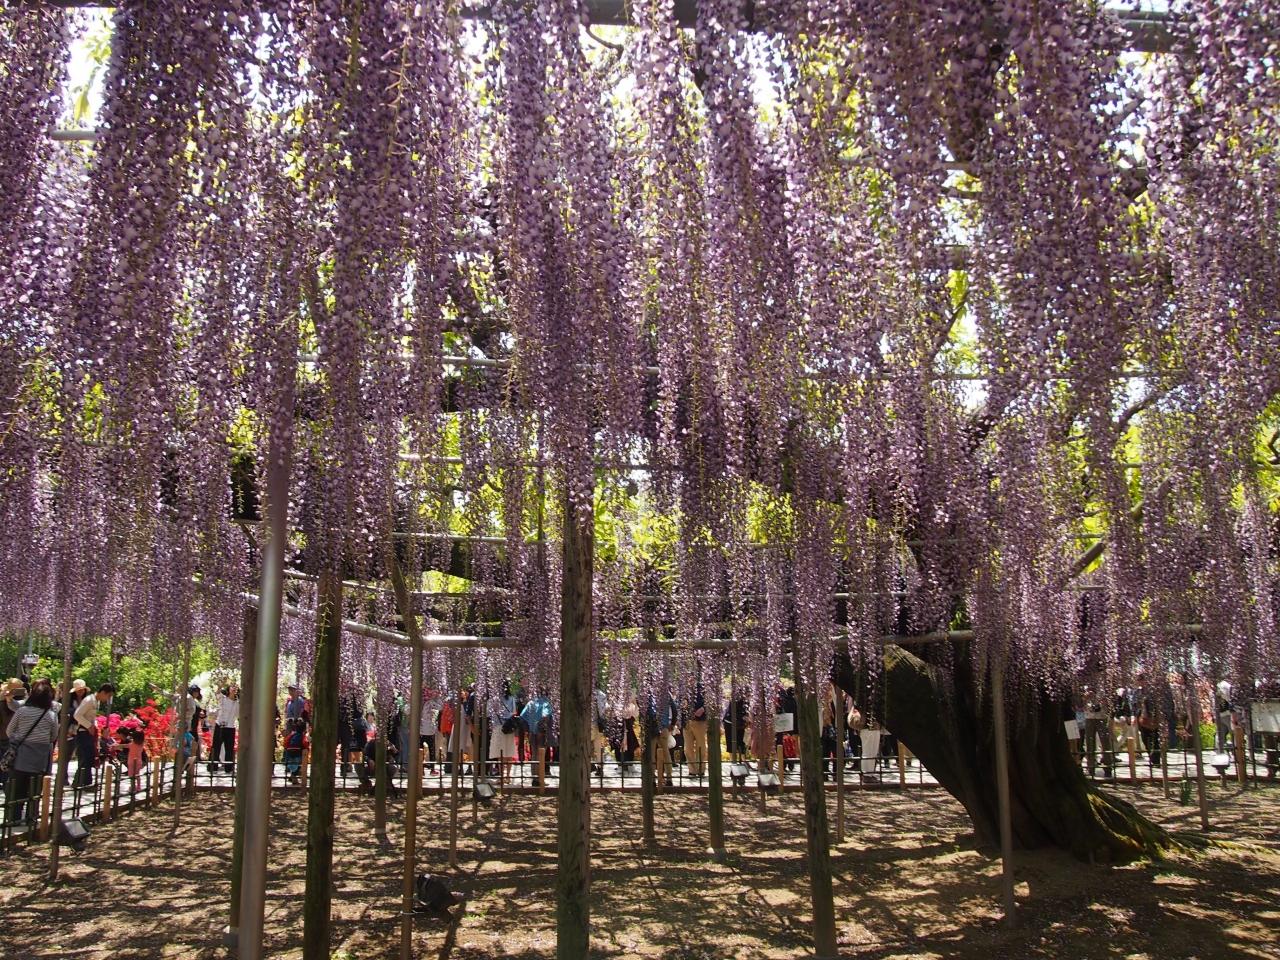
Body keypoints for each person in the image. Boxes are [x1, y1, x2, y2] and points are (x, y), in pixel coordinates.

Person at [4, 679, 58, 825]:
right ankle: (31, 818)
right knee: (35, 791)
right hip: (40, 760)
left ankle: (13, 818)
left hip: (21, 758)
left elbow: (9, 731)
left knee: (17, 789)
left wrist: (20, 738)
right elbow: (53, 737)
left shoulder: (22, 711)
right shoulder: (51, 715)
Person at [72, 682, 114, 788]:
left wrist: (94, 726)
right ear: (103, 692)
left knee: (89, 758)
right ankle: (81, 783)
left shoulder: (96, 701)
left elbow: (91, 717)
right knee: (85, 758)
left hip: (89, 733)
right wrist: (89, 726)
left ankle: (83, 782)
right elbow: (77, 715)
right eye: (108, 696)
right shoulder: (89, 700)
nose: (108, 699)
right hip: (83, 732)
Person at [520, 689, 553, 786]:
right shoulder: (546, 703)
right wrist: (542, 725)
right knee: (541, 756)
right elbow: (545, 715)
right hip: (541, 733)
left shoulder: (531, 703)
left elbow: (522, 716)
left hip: (532, 733)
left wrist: (528, 729)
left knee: (534, 755)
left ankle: (534, 778)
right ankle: (540, 779)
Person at [488, 681, 519, 783]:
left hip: (498, 727)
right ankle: (508, 776)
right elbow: (514, 712)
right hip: (509, 728)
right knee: (509, 752)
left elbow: (489, 712)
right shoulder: (512, 699)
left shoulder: (495, 699)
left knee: (500, 753)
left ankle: (502, 776)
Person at [0, 678, 26, 789]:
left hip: (15, 736)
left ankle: (7, 782)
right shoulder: (2, 701)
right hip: (4, 735)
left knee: (10, 761)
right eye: (14, 688)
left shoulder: (23, 702)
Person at [209, 684, 239, 774]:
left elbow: (238, 714)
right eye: (232, 687)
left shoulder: (237, 702)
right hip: (220, 725)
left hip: (230, 727)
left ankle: (229, 768)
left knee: (229, 748)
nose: (234, 689)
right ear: (228, 689)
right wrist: (220, 685)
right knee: (216, 746)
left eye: (236, 688)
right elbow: (217, 694)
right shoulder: (223, 699)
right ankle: (212, 767)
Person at [684, 685, 708, 779]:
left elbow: (710, 700)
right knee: (688, 747)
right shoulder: (684, 686)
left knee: (701, 746)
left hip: (700, 721)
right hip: (687, 721)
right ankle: (692, 770)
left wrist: (703, 708)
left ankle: (701, 769)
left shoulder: (703, 686)